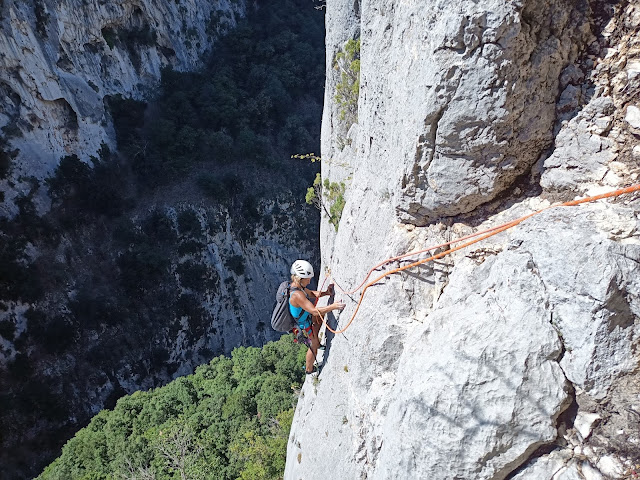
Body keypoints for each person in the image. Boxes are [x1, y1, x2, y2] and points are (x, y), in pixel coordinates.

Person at [289, 260, 345, 374]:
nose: (310, 281)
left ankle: (317, 343)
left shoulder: (298, 286)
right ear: (300, 278)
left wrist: (326, 293)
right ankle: (309, 369)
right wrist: (334, 306)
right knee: (313, 346)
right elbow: (315, 311)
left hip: (305, 317)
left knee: (321, 316)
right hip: (303, 324)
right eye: (308, 278)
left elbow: (312, 294)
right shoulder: (297, 294)